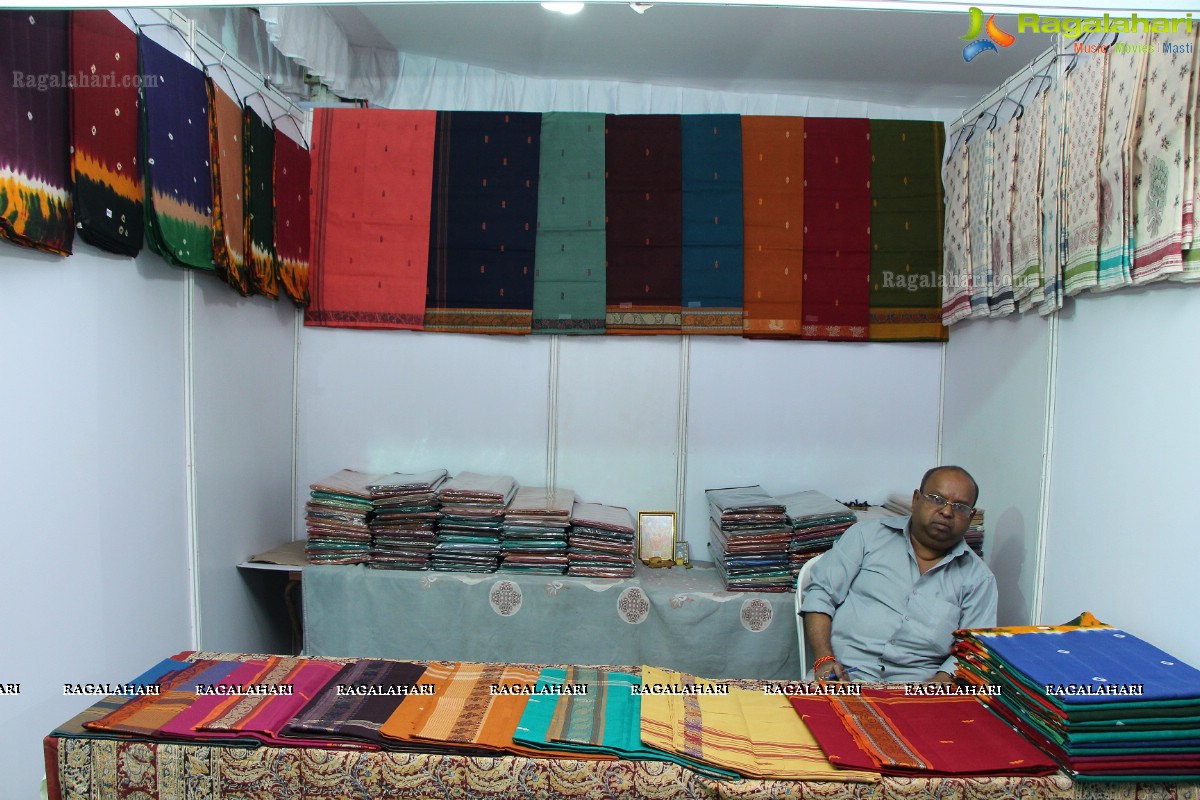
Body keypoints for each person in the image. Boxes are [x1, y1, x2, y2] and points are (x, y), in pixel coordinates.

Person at [799, 466, 997, 683]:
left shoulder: (978, 579)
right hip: (844, 676)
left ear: (971, 516)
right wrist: (824, 658)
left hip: (919, 689)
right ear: (916, 500)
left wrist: (940, 682)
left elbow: (972, 647)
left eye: (959, 507)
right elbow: (821, 595)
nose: (947, 512)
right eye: (937, 499)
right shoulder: (866, 537)